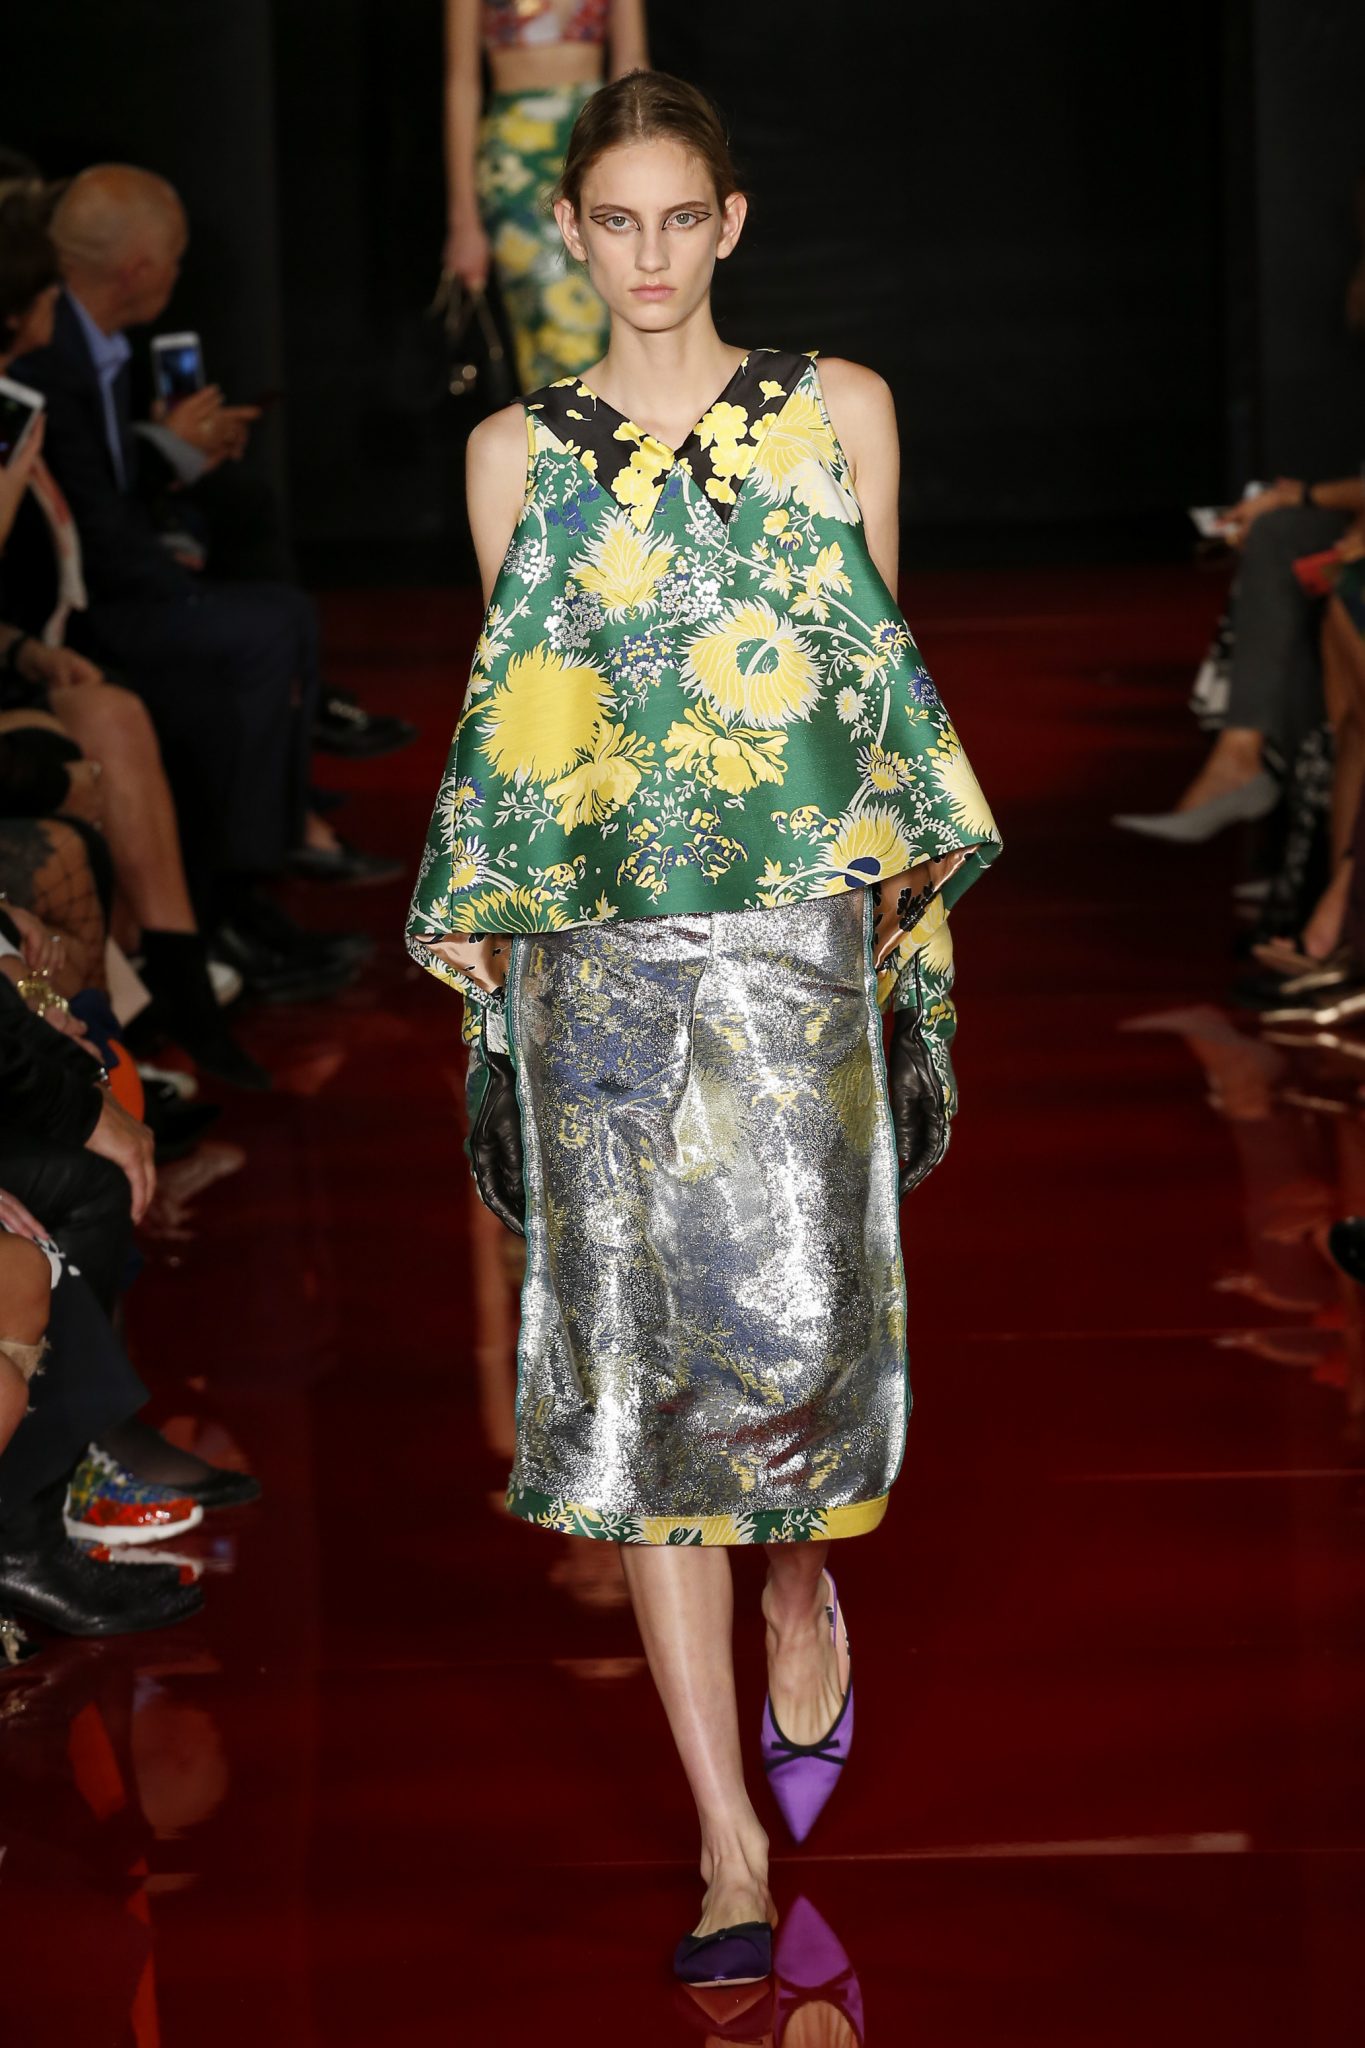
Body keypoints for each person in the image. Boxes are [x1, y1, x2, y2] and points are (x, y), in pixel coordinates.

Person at [408, 71, 1000, 1983]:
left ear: (728, 223)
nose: (650, 256)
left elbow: (872, 683)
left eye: (682, 219)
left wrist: (884, 896)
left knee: (796, 1339)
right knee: (634, 1378)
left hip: (792, 937)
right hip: (602, 956)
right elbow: (529, 720)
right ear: (570, 233)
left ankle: (800, 1579)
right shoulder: (513, 452)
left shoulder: (840, 411)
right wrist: (495, 916)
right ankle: (726, 1844)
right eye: (617, 222)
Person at [4, 167, 401, 918]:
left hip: (105, 568)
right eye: (176, 259)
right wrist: (179, 563)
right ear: (139, 269)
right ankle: (248, 886)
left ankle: (290, 798)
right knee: (266, 625)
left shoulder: (98, 342)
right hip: (71, 610)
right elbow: (85, 522)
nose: (179, 275)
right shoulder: (46, 360)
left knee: (257, 551)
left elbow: (102, 485)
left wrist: (171, 455)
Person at [443, 0, 648, 389]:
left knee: (615, 315)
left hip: (595, 143)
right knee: (550, 329)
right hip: (517, 163)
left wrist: (642, 168)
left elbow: (632, 62)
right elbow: (461, 84)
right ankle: (564, 424)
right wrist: (463, 221)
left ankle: (611, 425)